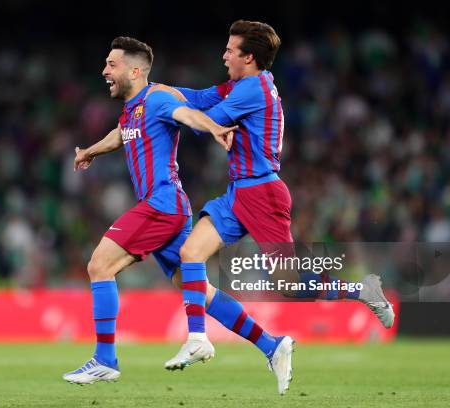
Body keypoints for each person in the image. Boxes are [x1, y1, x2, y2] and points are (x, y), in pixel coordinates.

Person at [161, 20, 395, 395]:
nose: (223, 55)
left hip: (263, 195)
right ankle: (198, 337)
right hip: (239, 193)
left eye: (230, 50)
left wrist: (166, 111)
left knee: (288, 286)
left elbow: (207, 121)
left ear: (249, 57)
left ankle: (362, 291)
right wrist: (157, 91)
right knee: (190, 252)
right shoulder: (244, 84)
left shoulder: (252, 88)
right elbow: (202, 98)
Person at [62, 36, 236, 385]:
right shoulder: (133, 107)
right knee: (194, 286)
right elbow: (121, 134)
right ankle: (270, 343)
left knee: (99, 265)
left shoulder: (157, 98)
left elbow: (186, 113)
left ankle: (105, 359)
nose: (104, 71)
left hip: (161, 205)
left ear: (135, 70)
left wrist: (214, 126)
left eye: (112, 65)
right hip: (170, 207)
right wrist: (90, 151)